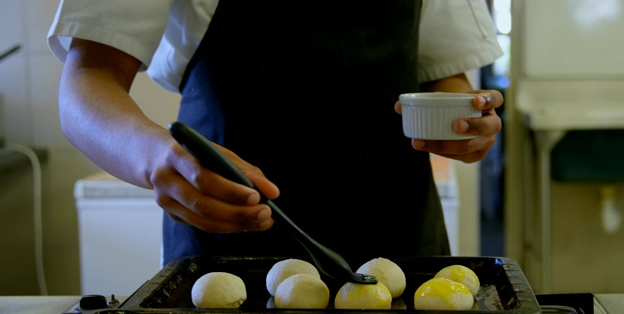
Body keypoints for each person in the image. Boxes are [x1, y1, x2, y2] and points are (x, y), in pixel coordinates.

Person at [48, 1, 504, 267]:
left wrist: (466, 122)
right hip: (231, 243)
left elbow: (444, 75)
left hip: (395, 237)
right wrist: (154, 158)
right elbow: (87, 83)